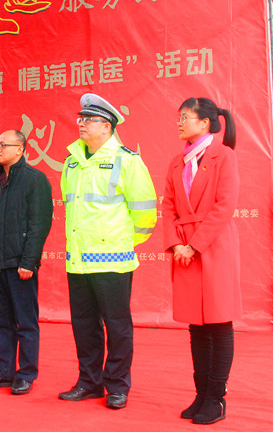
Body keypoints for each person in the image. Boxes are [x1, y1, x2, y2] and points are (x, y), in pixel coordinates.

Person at [59, 93, 157, 410]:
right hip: (78, 261)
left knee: (117, 326)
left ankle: (117, 386)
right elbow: (71, 207)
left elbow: (145, 212)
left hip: (113, 259)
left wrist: (123, 242)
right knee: (84, 326)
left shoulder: (127, 160)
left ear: (107, 126)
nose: (81, 124)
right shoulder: (72, 161)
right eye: (81, 118)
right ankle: (89, 382)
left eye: (89, 120)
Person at [161, 98, 240, 425]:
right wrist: (176, 244)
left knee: (219, 324)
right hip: (185, 251)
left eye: (185, 117)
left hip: (214, 247)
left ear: (205, 122)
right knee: (196, 326)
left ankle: (216, 398)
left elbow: (224, 206)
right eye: (178, 117)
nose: (179, 123)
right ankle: (201, 393)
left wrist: (194, 245)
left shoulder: (225, 156)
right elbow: (168, 207)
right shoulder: (176, 163)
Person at [0, 130, 53, 395]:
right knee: (0, 320)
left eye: (4, 145)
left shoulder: (34, 179)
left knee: (25, 321)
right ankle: (4, 371)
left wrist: (29, 262)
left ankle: (26, 373)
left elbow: (39, 224)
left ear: (20, 149)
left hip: (19, 263)